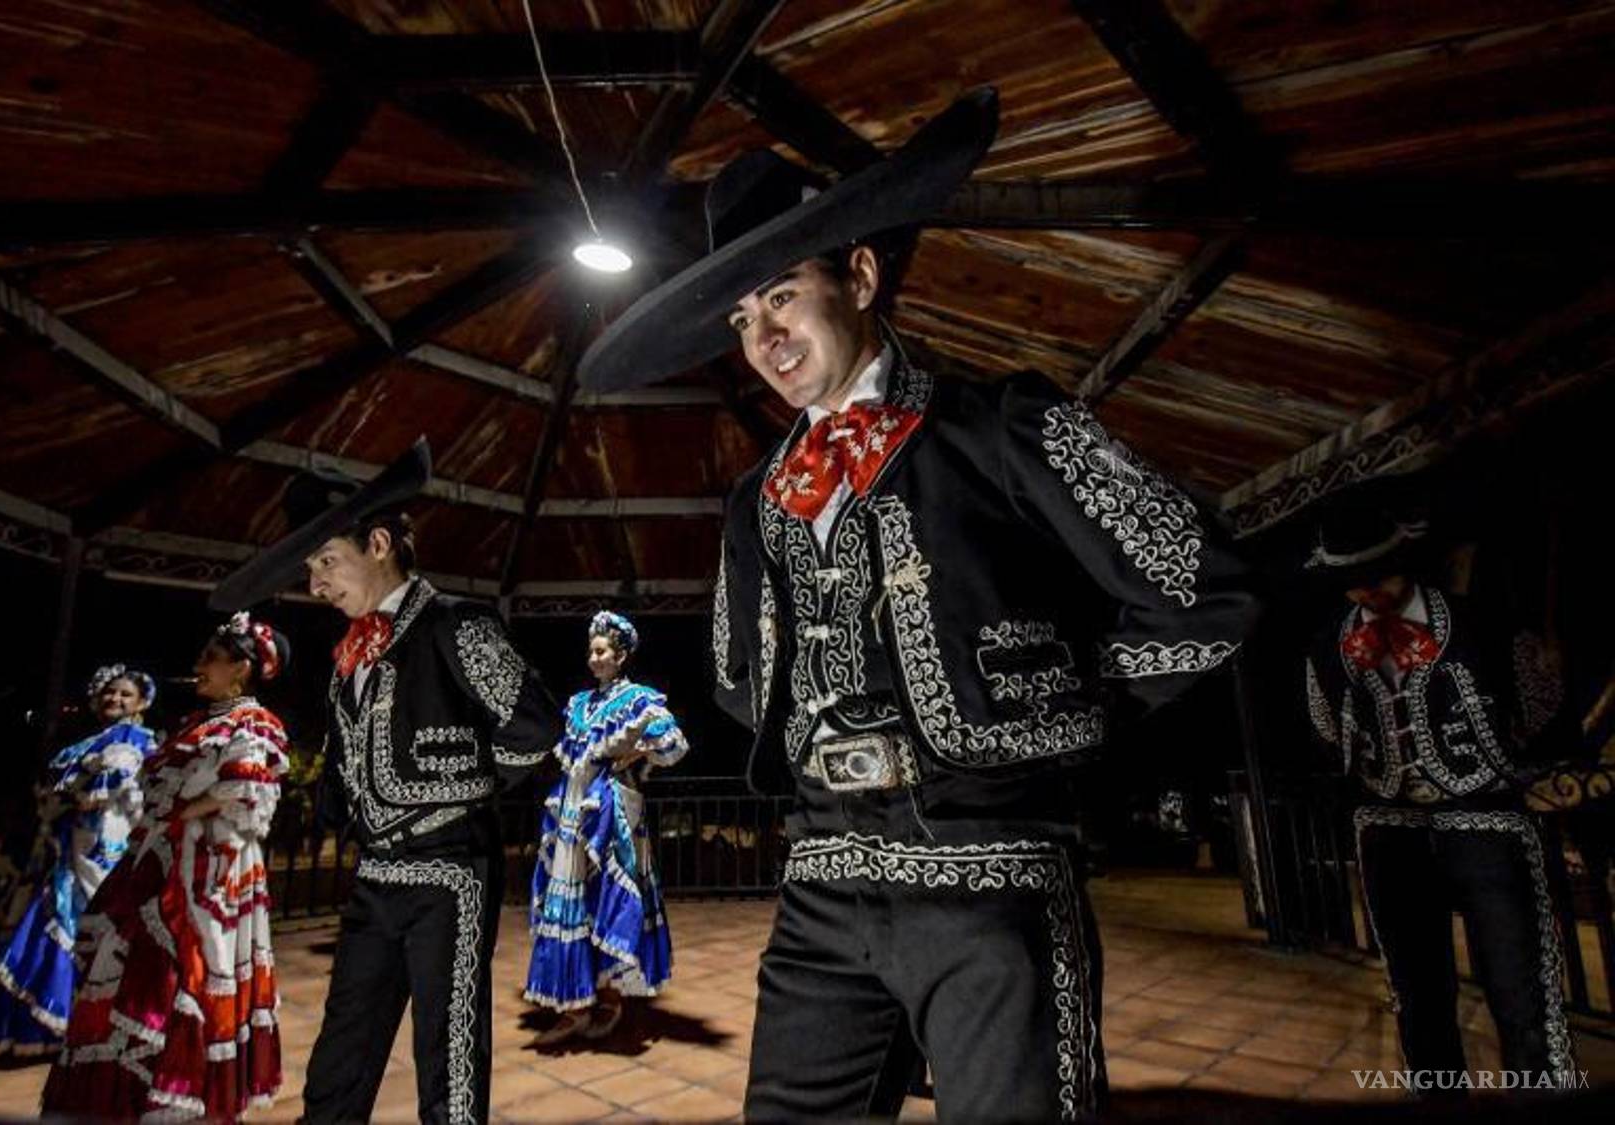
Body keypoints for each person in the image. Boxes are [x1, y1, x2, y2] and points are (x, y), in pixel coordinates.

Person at [578, 88, 1259, 1123]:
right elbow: (734, 673)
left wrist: (1074, 714)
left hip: (990, 872)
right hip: (821, 878)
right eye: (742, 318)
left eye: (780, 298)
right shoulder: (756, 495)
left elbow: (1202, 591)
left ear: (857, 276)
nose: (762, 337)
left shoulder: (1004, 422)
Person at [208, 439, 562, 1125]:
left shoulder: (456, 625)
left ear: (378, 542)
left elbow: (536, 727)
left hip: (450, 874)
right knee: (343, 1050)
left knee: (449, 1056)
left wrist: (460, 789)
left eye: (325, 561)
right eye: (311, 568)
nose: (315, 583)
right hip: (375, 878)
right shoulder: (348, 656)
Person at [1301, 507, 1578, 1086]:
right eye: (1355, 579)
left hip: (1486, 822)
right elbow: (1326, 728)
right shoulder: (1329, 645)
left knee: (1520, 988)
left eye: (1382, 573)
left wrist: (1497, 768)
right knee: (1417, 994)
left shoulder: (1484, 622)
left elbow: (1541, 705)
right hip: (1389, 826)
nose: (1370, 590)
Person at [41, 615, 290, 1121]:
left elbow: (248, 795)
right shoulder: (200, 722)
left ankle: (174, 1094)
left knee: (176, 975)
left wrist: (179, 814)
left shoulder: (254, 723)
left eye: (210, 658)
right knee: (131, 973)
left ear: (241, 668)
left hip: (206, 870)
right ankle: (124, 1091)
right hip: (160, 859)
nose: (198, 667)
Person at [0, 664, 159, 1058]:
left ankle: (73, 1025)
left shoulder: (136, 739)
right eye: (110, 692)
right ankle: (27, 1028)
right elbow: (55, 788)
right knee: (37, 929)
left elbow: (109, 787)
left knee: (79, 932)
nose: (116, 699)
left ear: (141, 702)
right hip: (59, 850)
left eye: (125, 694)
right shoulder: (84, 742)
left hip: (98, 851)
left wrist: (76, 791)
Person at [525, 610, 690, 1045]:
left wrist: (634, 753)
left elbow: (673, 745)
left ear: (620, 656)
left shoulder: (638, 699)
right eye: (591, 651)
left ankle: (611, 997)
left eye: (601, 651)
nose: (594, 658)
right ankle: (576, 1002)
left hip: (612, 813)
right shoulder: (579, 704)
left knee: (608, 899)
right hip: (572, 810)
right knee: (572, 902)